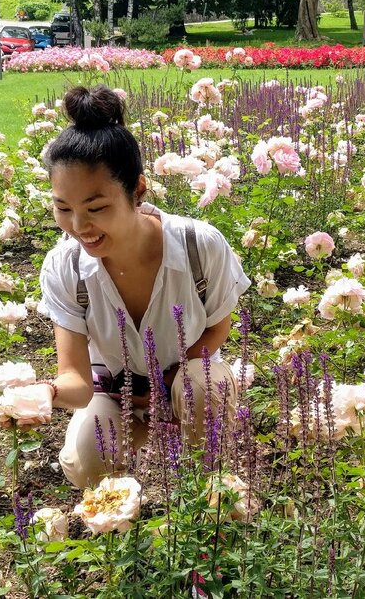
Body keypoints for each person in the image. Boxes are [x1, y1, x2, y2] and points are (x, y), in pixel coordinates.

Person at [31, 84, 251, 489]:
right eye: (63, 209)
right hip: (116, 394)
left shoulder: (198, 246)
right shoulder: (65, 266)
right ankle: (121, 520)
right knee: (86, 461)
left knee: (203, 389)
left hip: (186, 379)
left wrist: (164, 381)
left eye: (96, 208)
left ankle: (208, 497)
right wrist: (44, 394)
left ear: (138, 190)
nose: (79, 228)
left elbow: (219, 326)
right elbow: (77, 382)